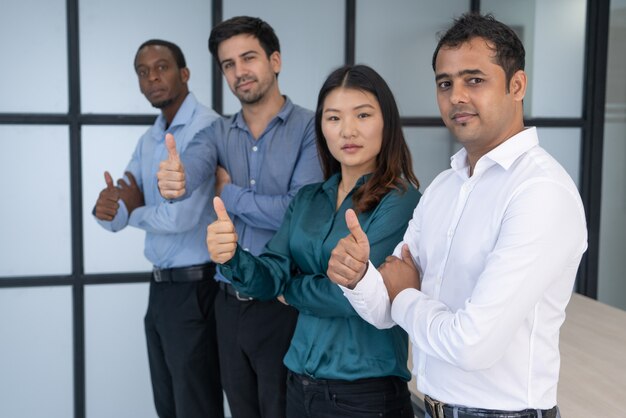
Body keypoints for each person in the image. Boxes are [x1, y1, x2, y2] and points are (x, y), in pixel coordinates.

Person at [328, 13, 587, 418]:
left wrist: (403, 294)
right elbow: (384, 311)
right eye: (445, 83)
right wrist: (360, 277)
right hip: (429, 406)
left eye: (475, 80)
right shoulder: (445, 187)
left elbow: (472, 344)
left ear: (517, 85)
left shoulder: (540, 192)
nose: (456, 96)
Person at [207, 64, 421, 418]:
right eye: (334, 118)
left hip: (365, 395)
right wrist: (232, 258)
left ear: (387, 122)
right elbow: (271, 272)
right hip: (299, 385)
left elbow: (352, 296)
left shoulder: (401, 201)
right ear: (321, 127)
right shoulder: (308, 199)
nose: (347, 130)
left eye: (363, 115)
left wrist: (289, 291)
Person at [156, 17, 323, 418]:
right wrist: (175, 179)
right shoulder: (217, 133)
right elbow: (191, 166)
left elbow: (295, 211)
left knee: (283, 410)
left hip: (283, 304)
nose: (238, 71)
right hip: (227, 304)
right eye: (228, 64)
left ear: (275, 60)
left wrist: (227, 193)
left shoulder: (310, 128)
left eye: (248, 58)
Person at [93, 39, 223, 418]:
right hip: (162, 289)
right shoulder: (150, 137)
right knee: (168, 405)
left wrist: (131, 212)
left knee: (194, 406)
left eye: (162, 67)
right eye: (143, 71)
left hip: (196, 288)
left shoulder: (207, 128)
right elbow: (122, 200)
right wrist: (106, 210)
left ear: (184, 74)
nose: (152, 77)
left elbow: (180, 218)